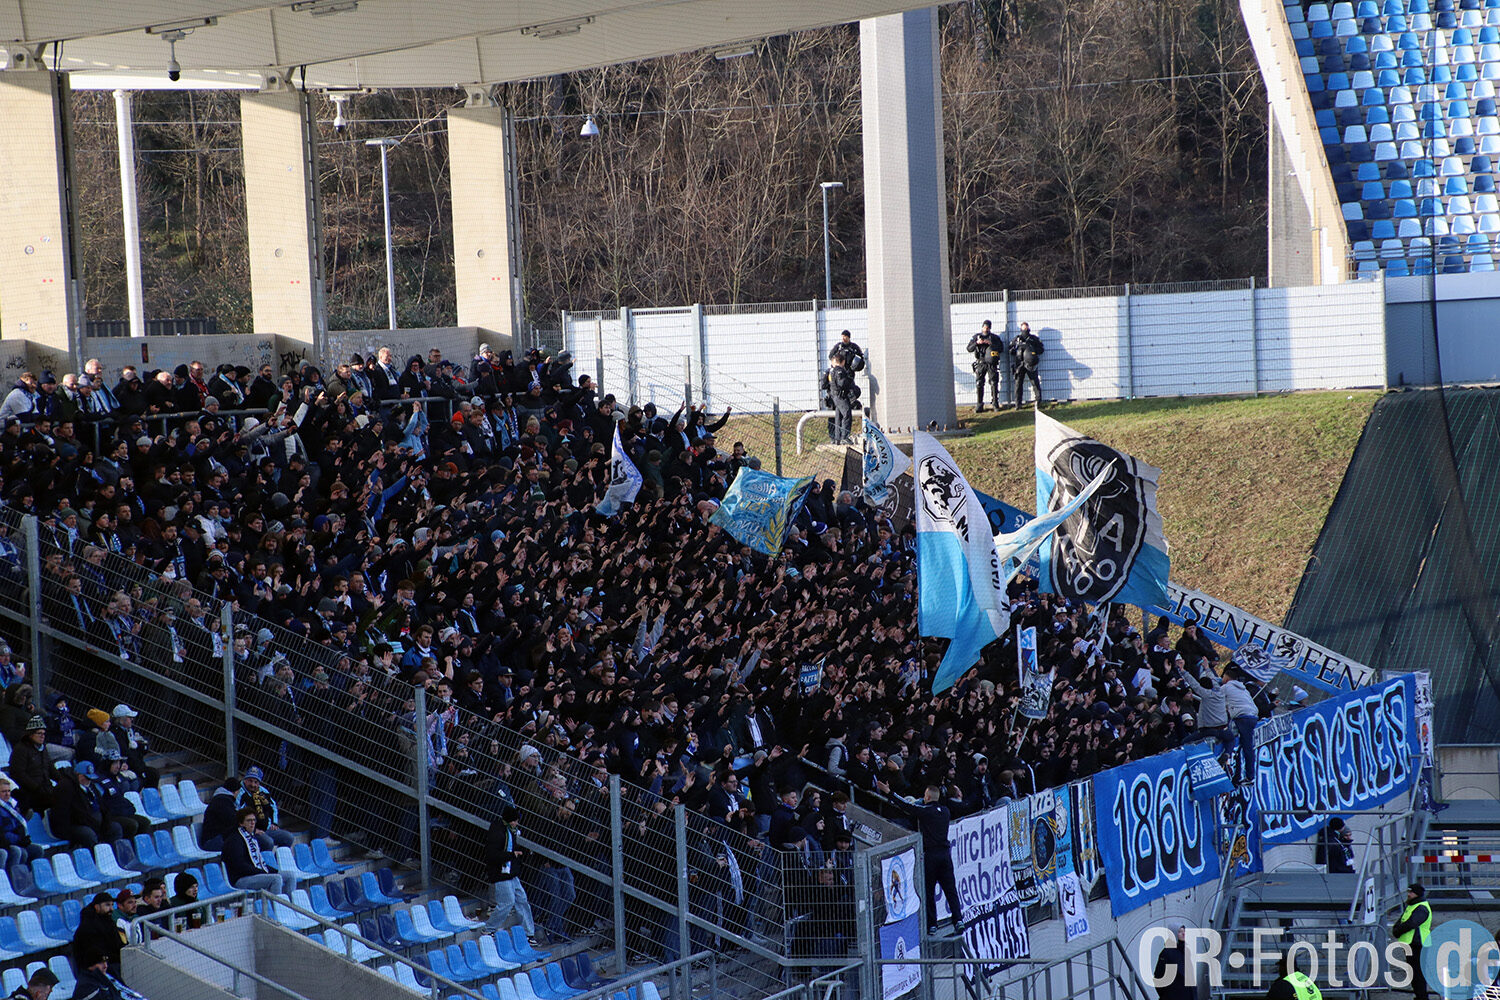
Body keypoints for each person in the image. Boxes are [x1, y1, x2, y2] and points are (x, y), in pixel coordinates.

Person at [908, 785, 962, 935]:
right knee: (950, 889)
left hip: (931, 856)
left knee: (929, 891)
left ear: (927, 797)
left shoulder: (925, 812)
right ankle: (958, 919)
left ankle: (932, 924)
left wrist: (889, 793)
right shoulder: (945, 811)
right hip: (945, 855)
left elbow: (907, 807)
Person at [483, 804, 538, 943]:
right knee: (507, 902)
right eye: (514, 821)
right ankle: (489, 929)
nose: (516, 823)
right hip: (500, 874)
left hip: (511, 873)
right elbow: (492, 855)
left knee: (522, 900)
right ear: (508, 819)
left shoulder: (510, 831)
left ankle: (528, 933)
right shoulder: (497, 832)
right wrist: (511, 855)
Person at [222, 807, 283, 894]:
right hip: (241, 879)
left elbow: (259, 863)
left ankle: (288, 905)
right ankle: (278, 906)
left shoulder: (251, 837)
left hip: (254, 874)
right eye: (249, 820)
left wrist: (274, 871)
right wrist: (262, 872)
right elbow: (240, 866)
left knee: (289, 876)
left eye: (254, 820)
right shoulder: (234, 840)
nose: (253, 823)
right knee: (276, 879)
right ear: (241, 823)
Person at [235, 766, 294, 849]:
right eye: (250, 781)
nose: (253, 784)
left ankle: (279, 860)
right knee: (268, 842)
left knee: (288, 837)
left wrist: (274, 823)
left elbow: (272, 807)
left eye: (256, 782)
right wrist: (253, 830)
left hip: (267, 828)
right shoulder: (239, 793)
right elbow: (238, 814)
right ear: (245, 780)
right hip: (250, 831)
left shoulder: (263, 791)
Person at [1393, 882, 1432, 1000]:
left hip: (1418, 944)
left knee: (1417, 973)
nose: (1409, 894)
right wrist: (1397, 929)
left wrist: (1397, 931)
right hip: (1411, 944)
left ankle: (1422, 997)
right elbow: (1403, 921)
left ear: (1417, 894)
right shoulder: (1413, 906)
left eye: (1411, 892)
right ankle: (1419, 995)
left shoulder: (1421, 907)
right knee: (1414, 972)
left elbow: (1411, 923)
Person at [72, 893, 124, 978]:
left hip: (109, 961)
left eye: (112, 905)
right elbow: (97, 953)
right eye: (107, 905)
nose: (111, 909)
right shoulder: (88, 926)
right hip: (94, 969)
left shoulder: (108, 921)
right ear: (97, 907)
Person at [966, 320, 1003, 413]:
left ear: (990, 328)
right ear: (982, 327)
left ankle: (995, 403)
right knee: (979, 383)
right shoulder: (976, 337)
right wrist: (977, 343)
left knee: (994, 383)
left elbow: (1001, 348)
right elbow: (969, 349)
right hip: (981, 362)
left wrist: (991, 344)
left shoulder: (994, 338)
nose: (986, 329)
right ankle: (979, 404)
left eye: (988, 327)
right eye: (984, 327)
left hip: (991, 363)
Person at [1153, 925, 1196, 1000]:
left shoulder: (1186, 951)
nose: (1184, 934)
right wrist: (1167, 995)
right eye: (1180, 932)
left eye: (1184, 931)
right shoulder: (1167, 953)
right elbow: (1159, 977)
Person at [1008, 321, 1044, 409]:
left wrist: (1031, 349)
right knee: (1018, 384)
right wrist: (1016, 349)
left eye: (1026, 328)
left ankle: (1039, 402)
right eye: (1023, 328)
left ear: (1028, 328)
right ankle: (1018, 404)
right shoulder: (1017, 339)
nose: (1025, 329)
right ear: (1020, 329)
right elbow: (1010, 350)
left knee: (1035, 382)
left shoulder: (1034, 339)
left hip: (1031, 364)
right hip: (1019, 365)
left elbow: (1041, 349)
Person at [827, 355, 859, 445]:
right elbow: (842, 383)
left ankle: (838, 438)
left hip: (835, 396)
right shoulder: (839, 370)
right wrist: (849, 379)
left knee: (839, 416)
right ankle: (844, 437)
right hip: (840, 397)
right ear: (843, 361)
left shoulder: (832, 371)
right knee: (847, 414)